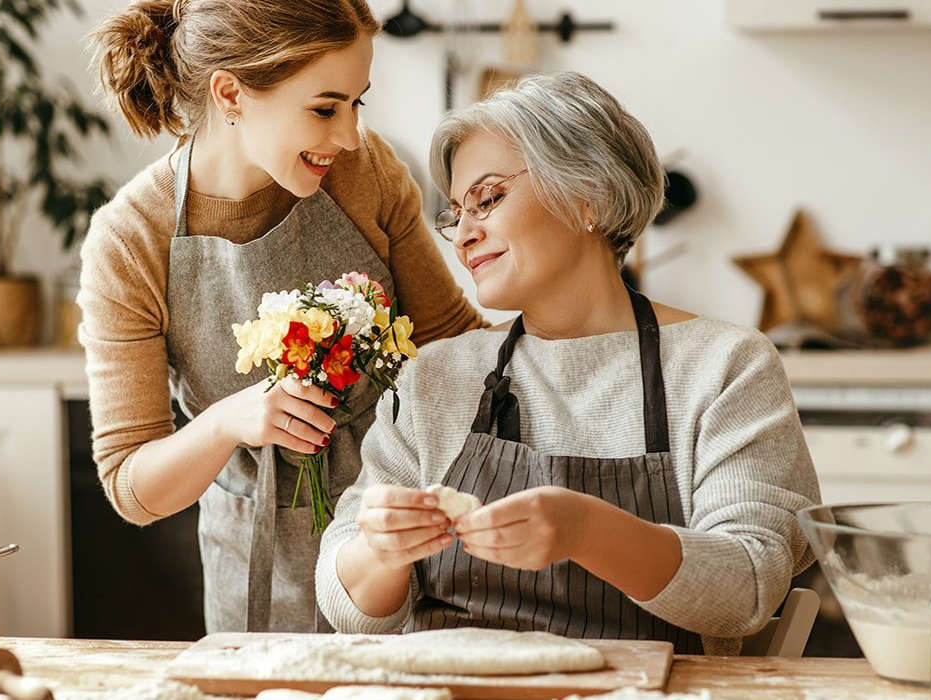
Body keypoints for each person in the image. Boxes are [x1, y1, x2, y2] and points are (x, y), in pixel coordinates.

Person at [317, 72, 821, 655]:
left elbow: (748, 589)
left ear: (590, 196)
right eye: (457, 213)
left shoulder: (725, 367)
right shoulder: (435, 375)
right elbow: (348, 607)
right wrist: (381, 552)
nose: (464, 236)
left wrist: (588, 530)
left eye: (487, 198)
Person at [78, 0, 483, 634]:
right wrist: (227, 423)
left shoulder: (363, 171)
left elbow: (454, 348)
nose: (348, 135)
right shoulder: (130, 239)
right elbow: (134, 488)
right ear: (231, 94)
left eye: (357, 104)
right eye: (325, 109)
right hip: (257, 572)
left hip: (402, 544)